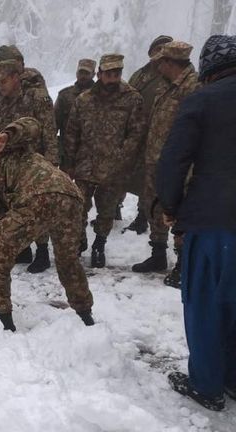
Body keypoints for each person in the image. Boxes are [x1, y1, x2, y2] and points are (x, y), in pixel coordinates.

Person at [0, 117, 94, 331]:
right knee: (68, 261)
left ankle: (4, 326)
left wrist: (5, 135)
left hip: (39, 195)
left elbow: (32, 125)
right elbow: (0, 209)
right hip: (69, 196)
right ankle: (86, 318)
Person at [158, 34, 236, 412]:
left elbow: (173, 162)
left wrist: (170, 206)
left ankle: (207, 384)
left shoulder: (201, 101)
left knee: (206, 303)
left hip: (213, 223)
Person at [64, 54, 145, 268]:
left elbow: (136, 134)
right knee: (77, 207)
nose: (112, 78)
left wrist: (122, 159)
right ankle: (79, 239)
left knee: (106, 210)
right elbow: (72, 132)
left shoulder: (132, 99)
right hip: (85, 165)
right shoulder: (84, 99)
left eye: (116, 74)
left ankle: (99, 243)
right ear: (99, 74)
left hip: (113, 168)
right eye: (108, 74)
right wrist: (69, 163)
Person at [131, 41, 200, 275]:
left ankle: (183, 263)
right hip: (155, 162)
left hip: (181, 166)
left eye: (160, 62)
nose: (157, 66)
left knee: (180, 210)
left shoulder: (193, 88)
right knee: (154, 206)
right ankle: (158, 254)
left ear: (170, 63)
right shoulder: (165, 86)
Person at [0, 58, 59, 274]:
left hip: (36, 164)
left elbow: (49, 130)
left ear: (17, 77)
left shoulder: (36, 98)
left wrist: (52, 162)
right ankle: (24, 248)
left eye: (4, 81)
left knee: (38, 207)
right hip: (10, 168)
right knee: (16, 207)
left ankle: (43, 252)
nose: (0, 86)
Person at [124, 35, 174, 234]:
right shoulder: (139, 74)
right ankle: (120, 209)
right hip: (137, 132)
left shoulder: (171, 75)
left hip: (161, 135)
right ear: (151, 52)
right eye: (157, 48)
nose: (160, 52)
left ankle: (144, 215)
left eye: (165, 48)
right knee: (133, 174)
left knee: (151, 178)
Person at [54, 59, 96, 170]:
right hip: (67, 154)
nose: (83, 76)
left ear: (93, 74)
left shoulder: (101, 96)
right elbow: (53, 124)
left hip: (91, 157)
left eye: (86, 73)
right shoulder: (65, 95)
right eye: (81, 72)